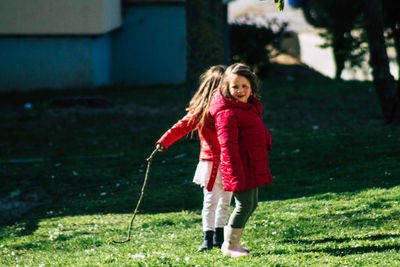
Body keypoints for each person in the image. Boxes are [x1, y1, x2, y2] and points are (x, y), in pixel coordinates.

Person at [155, 65, 233, 251]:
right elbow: (182, 126)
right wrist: (164, 141)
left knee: (225, 201)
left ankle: (219, 236)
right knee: (211, 200)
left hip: (230, 162)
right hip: (210, 162)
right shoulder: (202, 110)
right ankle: (208, 236)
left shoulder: (234, 108)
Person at [209, 63, 273, 257]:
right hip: (240, 168)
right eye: (235, 87)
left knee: (251, 204)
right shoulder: (227, 113)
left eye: (244, 86)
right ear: (226, 89)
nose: (240, 91)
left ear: (252, 87)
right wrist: (236, 174)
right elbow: (228, 148)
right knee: (244, 205)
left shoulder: (249, 107)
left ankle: (234, 244)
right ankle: (229, 246)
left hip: (253, 164)